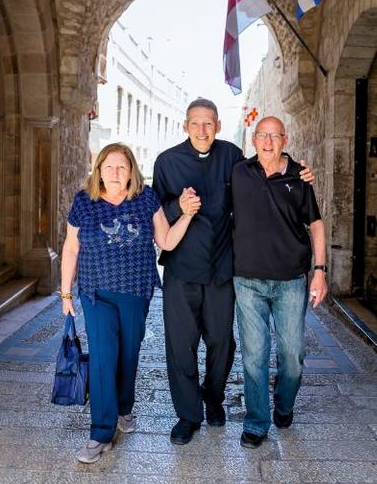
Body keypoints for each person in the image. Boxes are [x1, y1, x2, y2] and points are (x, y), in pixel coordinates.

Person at [152, 98, 315, 445]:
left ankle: (213, 400)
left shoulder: (232, 158)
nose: (201, 130)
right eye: (195, 123)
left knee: (222, 343)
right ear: (185, 126)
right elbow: (155, 212)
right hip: (182, 269)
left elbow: (265, 171)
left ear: (219, 126)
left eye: (208, 123)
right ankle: (187, 415)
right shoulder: (166, 162)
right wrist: (176, 206)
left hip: (223, 268)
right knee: (181, 346)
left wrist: (300, 171)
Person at [60, 143, 201, 463]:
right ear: (98, 171)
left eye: (121, 167)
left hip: (136, 292)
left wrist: (187, 216)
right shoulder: (84, 202)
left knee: (127, 356)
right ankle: (100, 433)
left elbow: (164, 241)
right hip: (96, 293)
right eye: (108, 167)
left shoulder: (146, 199)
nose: (114, 173)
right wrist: (66, 293)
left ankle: (125, 407)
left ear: (131, 172)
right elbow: (70, 248)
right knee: (102, 358)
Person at [232, 116, 328, 449]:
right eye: (263, 135)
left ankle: (283, 405)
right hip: (247, 280)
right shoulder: (238, 173)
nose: (268, 141)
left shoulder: (300, 176)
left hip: (290, 280)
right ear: (253, 139)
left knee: (293, 353)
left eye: (275, 136)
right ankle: (257, 422)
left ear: (284, 140)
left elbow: (315, 225)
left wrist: (320, 270)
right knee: (254, 354)